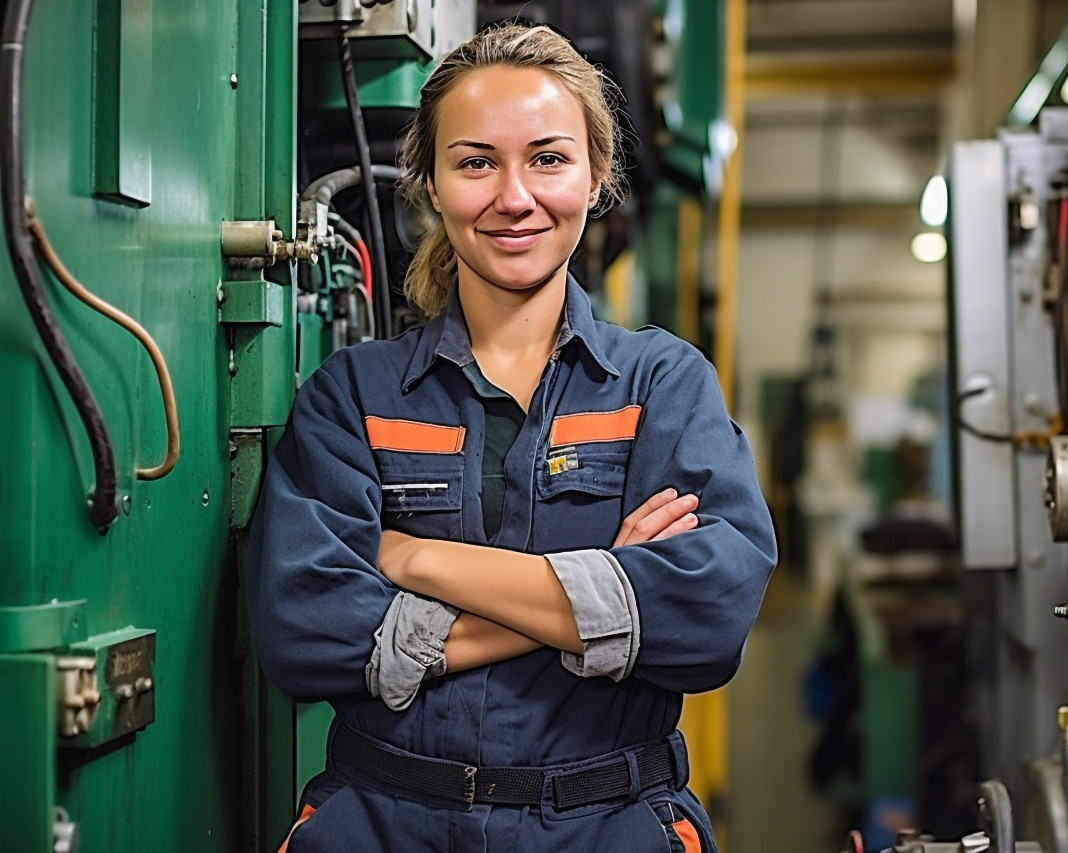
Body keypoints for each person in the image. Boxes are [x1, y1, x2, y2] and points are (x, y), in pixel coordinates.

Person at [247, 21, 776, 853]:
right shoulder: (353, 395)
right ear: (429, 180)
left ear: (597, 174)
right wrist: (604, 597)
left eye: (548, 158)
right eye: (476, 162)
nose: (514, 196)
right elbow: (306, 632)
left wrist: (413, 560)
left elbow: (707, 616)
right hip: (381, 822)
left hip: (610, 823)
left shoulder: (660, 385)